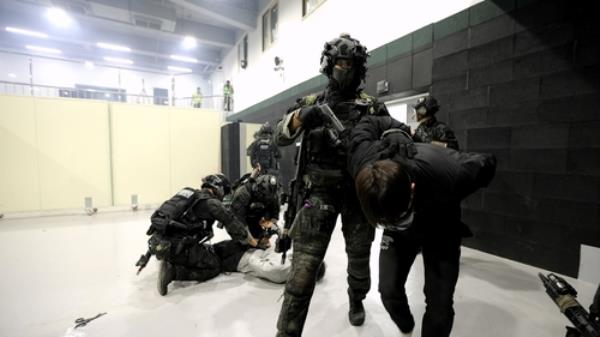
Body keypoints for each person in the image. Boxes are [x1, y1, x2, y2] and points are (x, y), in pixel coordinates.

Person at [273, 33, 390, 336]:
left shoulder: (372, 107)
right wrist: (300, 118)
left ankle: (356, 298)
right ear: (328, 64)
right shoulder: (312, 103)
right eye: (338, 61)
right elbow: (279, 136)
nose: (343, 68)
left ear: (359, 66)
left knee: (360, 264)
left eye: (349, 63)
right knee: (301, 276)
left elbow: (390, 141)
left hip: (358, 195)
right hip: (318, 195)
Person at [348, 114, 496, 337]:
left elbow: (488, 163)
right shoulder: (362, 158)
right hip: (400, 233)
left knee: (440, 305)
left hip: (441, 225)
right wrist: (394, 130)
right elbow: (368, 122)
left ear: (413, 189)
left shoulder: (455, 171)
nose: (396, 224)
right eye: (387, 222)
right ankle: (406, 326)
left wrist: (454, 196)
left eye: (401, 217)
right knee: (387, 290)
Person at [145, 174, 257, 296]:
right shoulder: (212, 203)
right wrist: (253, 242)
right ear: (218, 189)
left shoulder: (189, 195)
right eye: (224, 192)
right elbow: (233, 224)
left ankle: (173, 260)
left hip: (160, 242)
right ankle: (174, 271)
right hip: (178, 247)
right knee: (214, 266)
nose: (223, 196)